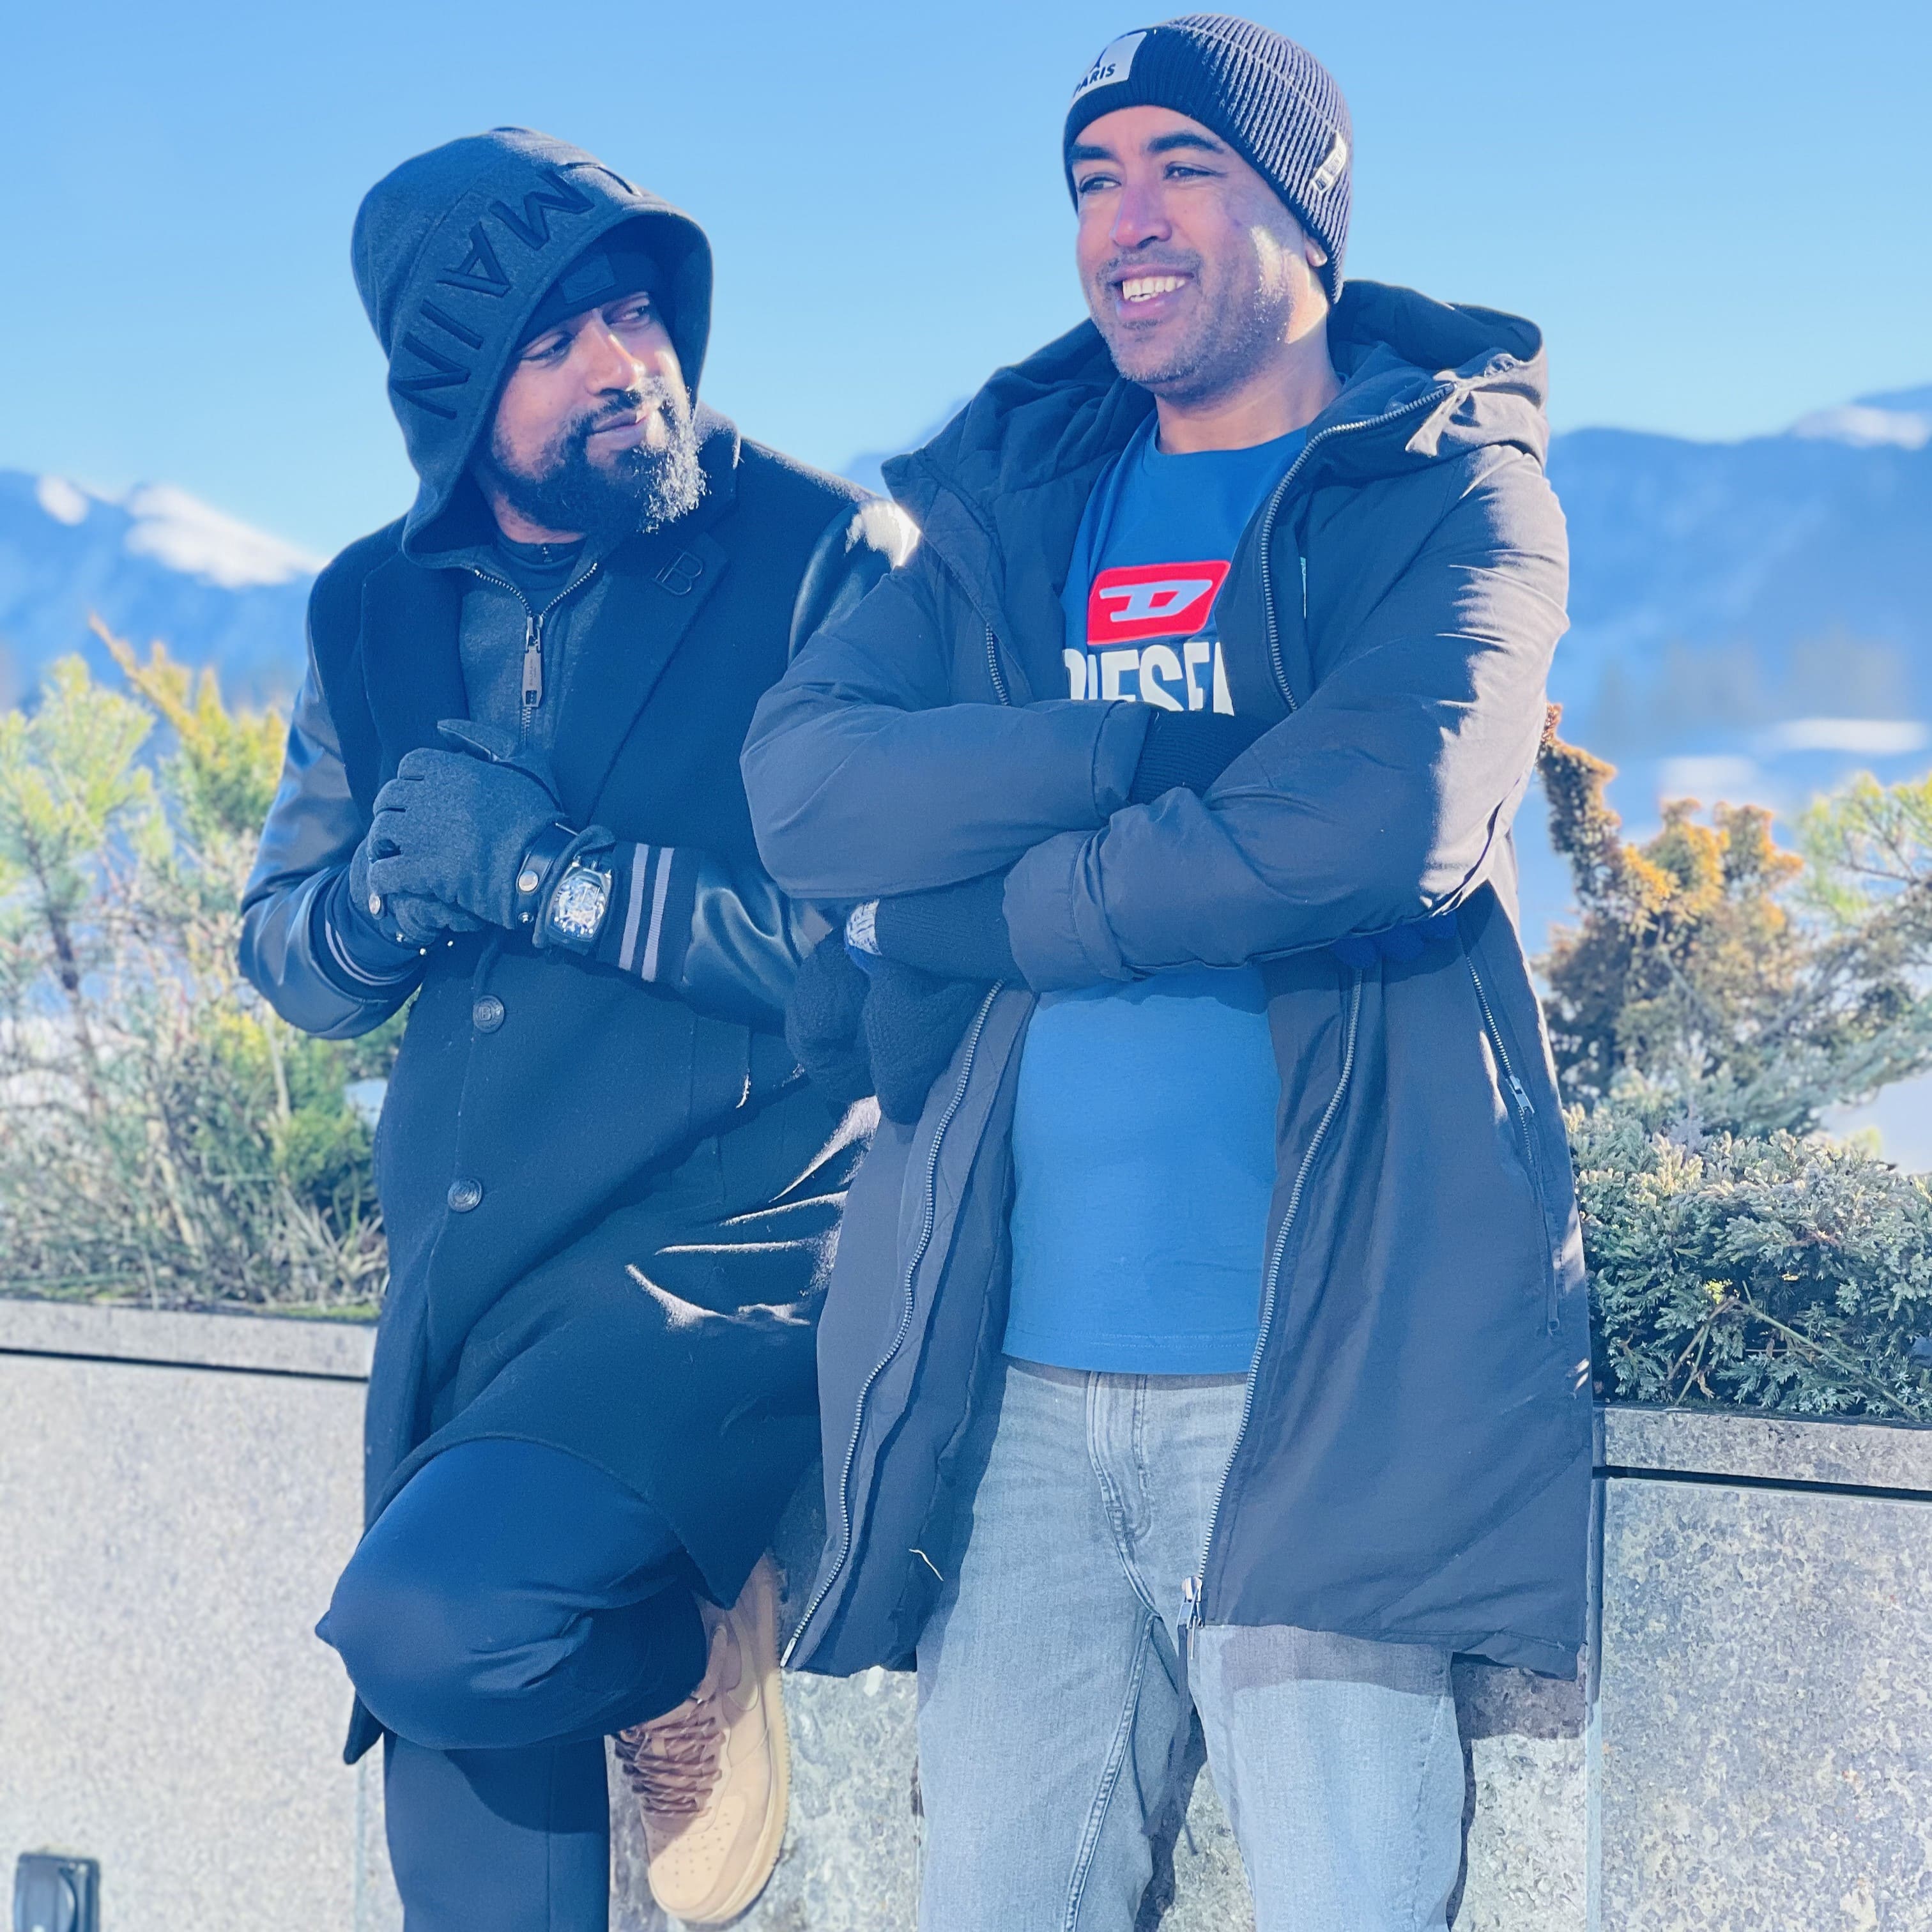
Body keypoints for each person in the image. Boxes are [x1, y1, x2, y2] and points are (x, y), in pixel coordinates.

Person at [743, 16, 1591, 1930]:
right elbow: (803, 790)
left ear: (1308, 211)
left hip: (1316, 1385)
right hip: (1015, 1389)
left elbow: (1378, 822)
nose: (1125, 218)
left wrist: (983, 912)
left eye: (1182, 167)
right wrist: (1133, 752)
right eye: (1091, 178)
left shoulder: (1451, 488)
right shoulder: (1019, 506)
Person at [240, 127, 905, 1931]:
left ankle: (680, 1644)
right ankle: (655, 1628)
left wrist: (551, 879)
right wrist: (384, 903)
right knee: (464, 1863)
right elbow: (289, 950)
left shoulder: (826, 558)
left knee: (435, 1626)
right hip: (470, 1278)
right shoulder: (368, 608)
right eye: (553, 341)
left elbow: (876, 954)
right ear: (457, 400)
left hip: (724, 1251)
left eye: (636, 311)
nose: (626, 362)